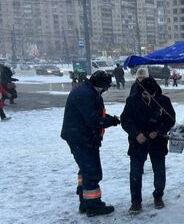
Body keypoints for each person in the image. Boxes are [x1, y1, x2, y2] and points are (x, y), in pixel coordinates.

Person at [60, 71, 121, 216]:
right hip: (82, 138)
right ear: (101, 85)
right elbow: (93, 120)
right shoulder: (86, 94)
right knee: (92, 171)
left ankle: (84, 203)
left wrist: (110, 118)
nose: (105, 90)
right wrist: (110, 122)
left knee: (85, 170)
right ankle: (93, 206)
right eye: (106, 87)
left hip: (80, 136)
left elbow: (94, 114)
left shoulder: (86, 90)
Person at [120, 77, 176, 214]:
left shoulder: (163, 100)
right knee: (135, 172)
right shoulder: (132, 101)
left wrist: (158, 131)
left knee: (159, 171)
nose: (149, 96)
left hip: (157, 141)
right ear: (141, 91)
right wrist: (136, 133)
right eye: (146, 94)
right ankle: (136, 202)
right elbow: (125, 120)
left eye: (152, 94)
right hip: (138, 142)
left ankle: (158, 196)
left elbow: (171, 119)